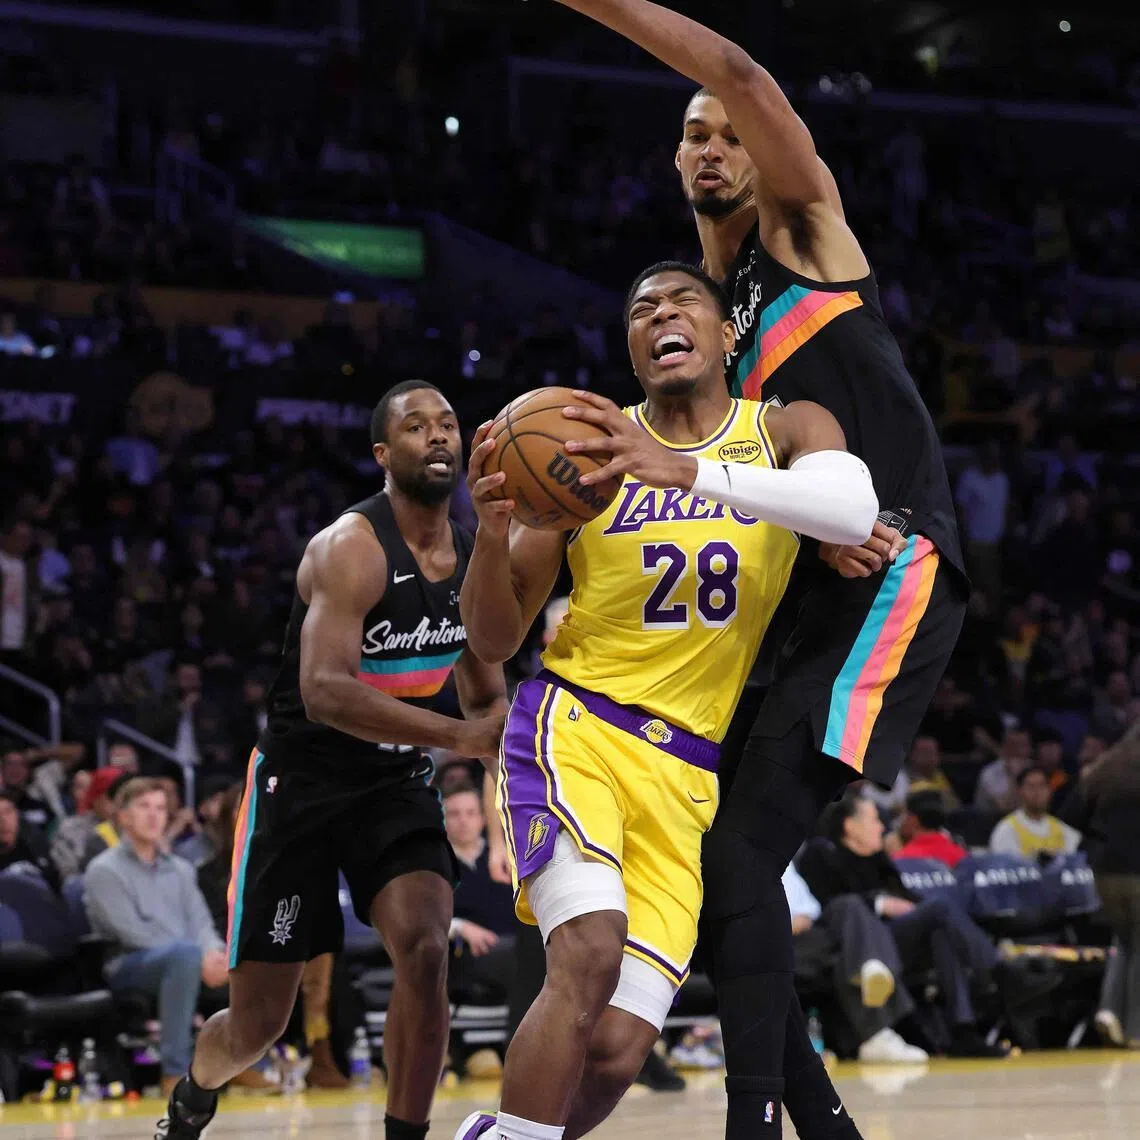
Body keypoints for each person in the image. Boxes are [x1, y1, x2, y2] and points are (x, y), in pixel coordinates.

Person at [547, 4, 968, 1138]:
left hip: (895, 554)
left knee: (737, 855)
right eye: (695, 134)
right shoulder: (705, 307)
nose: (715, 143)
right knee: (719, 862)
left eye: (730, 131)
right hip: (807, 579)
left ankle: (761, 1124)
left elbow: (736, 68)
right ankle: (816, 1126)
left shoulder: (806, 232)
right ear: (675, 160)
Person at [454, 261, 877, 1140]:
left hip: (686, 772)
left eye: (682, 301)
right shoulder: (588, 452)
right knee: (589, 948)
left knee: (615, 1047)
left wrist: (682, 471)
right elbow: (492, 641)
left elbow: (850, 509)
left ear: (728, 336)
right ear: (635, 352)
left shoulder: (786, 427)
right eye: (640, 309)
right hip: (576, 726)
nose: (659, 315)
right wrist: (492, 536)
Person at [157, 380, 507, 1140]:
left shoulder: (475, 554)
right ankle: (193, 1091)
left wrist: (508, 800)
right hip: (300, 790)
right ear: (384, 454)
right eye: (416, 428)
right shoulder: (349, 547)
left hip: (392, 782)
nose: (439, 437)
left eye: (448, 424)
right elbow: (323, 692)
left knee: (424, 948)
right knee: (258, 1025)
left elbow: (487, 694)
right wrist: (457, 739)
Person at [800, 794, 1032, 1058]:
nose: (882, 827)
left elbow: (910, 903)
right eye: (874, 820)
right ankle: (996, 968)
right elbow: (826, 907)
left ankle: (963, 1032)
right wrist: (879, 903)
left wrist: (909, 909)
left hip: (897, 940)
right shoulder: (821, 855)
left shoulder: (879, 861)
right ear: (849, 826)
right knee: (940, 908)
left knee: (940, 932)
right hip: (856, 948)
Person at [83, 779, 255, 1095]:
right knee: (185, 956)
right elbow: (130, 932)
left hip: (186, 959)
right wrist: (195, 955)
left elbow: (201, 921)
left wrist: (215, 954)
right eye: (144, 807)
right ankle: (174, 1071)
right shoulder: (103, 870)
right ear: (123, 816)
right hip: (128, 963)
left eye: (161, 808)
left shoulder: (180, 869)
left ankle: (243, 1063)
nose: (154, 816)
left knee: (243, 957)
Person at [782, 861, 926, 1064]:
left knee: (848, 905)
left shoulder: (782, 858)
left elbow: (811, 907)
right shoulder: (735, 857)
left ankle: (869, 969)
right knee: (853, 950)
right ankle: (876, 1033)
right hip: (773, 943)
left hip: (812, 934)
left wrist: (804, 917)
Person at [989, 767, 1081, 860]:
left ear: (1050, 791)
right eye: (1031, 786)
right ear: (1020, 791)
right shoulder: (1006, 830)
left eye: (1042, 786)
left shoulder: (1064, 831)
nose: (1037, 792)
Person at [894, 790, 968, 869]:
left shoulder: (901, 859)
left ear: (914, 820)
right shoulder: (962, 856)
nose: (902, 821)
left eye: (905, 815)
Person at [976, 728, 1032, 815]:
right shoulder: (990, 773)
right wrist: (1014, 777)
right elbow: (1006, 808)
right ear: (1004, 748)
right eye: (1014, 746)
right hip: (993, 823)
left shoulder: (1034, 769)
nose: (1020, 751)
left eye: (1024, 745)